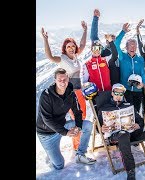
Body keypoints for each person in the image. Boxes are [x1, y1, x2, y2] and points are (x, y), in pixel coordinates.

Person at [97, 83, 145, 179]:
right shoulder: (104, 108)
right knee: (123, 135)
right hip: (117, 136)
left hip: (132, 133)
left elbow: (140, 120)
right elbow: (97, 126)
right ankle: (131, 171)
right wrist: (101, 128)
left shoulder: (128, 105)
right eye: (116, 93)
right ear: (112, 93)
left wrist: (139, 125)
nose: (118, 96)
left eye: (121, 94)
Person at [36, 68, 96, 170]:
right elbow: (47, 119)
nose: (62, 82)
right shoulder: (46, 95)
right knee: (59, 165)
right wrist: (66, 132)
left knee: (87, 125)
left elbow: (77, 112)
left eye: (65, 79)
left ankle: (80, 155)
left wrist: (78, 127)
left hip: (62, 126)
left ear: (68, 79)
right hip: (47, 133)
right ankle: (50, 155)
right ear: (55, 80)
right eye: (60, 80)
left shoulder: (71, 93)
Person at [41, 22, 88, 151]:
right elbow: (50, 57)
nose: (71, 48)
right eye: (68, 46)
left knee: (81, 116)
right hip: (71, 93)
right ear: (64, 48)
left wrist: (85, 30)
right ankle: (76, 145)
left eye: (73, 46)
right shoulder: (62, 58)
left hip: (79, 91)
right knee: (78, 117)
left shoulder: (75, 56)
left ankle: (77, 142)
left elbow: (83, 45)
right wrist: (45, 40)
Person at [114, 23, 145, 113]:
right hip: (125, 90)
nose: (133, 47)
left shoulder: (140, 59)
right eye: (130, 45)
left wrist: (143, 83)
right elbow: (116, 43)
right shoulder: (122, 57)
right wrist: (123, 32)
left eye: (134, 45)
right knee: (127, 111)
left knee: (136, 111)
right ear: (126, 47)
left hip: (137, 90)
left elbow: (142, 72)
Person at [90, 9, 120, 85]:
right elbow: (94, 36)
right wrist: (95, 18)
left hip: (113, 83)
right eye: (110, 40)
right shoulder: (102, 51)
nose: (111, 41)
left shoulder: (116, 52)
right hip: (102, 84)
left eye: (113, 40)